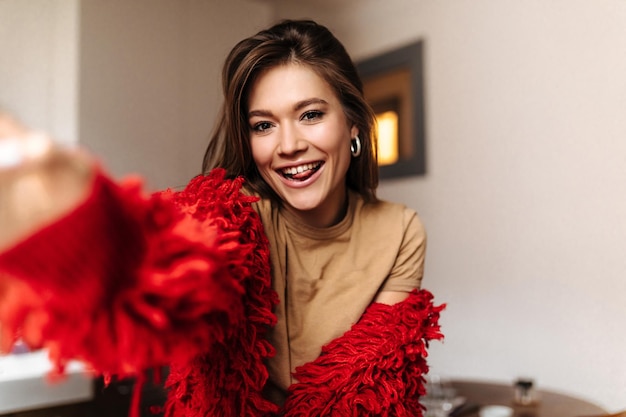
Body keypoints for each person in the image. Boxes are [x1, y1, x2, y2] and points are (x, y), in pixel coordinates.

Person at [0, 19, 443, 417]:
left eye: (310, 115)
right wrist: (81, 226)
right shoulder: (231, 215)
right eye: (263, 125)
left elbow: (369, 382)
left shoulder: (400, 232)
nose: (287, 144)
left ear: (352, 123)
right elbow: (170, 271)